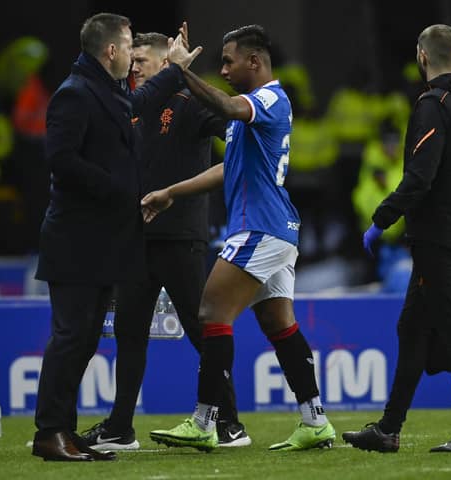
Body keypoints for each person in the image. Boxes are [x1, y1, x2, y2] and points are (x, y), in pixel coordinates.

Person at [142, 24, 336, 452]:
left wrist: (179, 73)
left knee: (211, 311)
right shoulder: (252, 111)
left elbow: (228, 107)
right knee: (278, 324)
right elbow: (230, 168)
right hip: (277, 230)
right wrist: (173, 191)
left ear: (255, 61)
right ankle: (315, 420)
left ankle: (205, 422)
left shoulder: (265, 98)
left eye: (229, 61)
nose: (223, 68)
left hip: (260, 228)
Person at [30, 13, 200, 462]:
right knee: (70, 337)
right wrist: (122, 190)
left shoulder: (104, 90)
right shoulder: (73, 94)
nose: (131, 56)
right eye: (128, 47)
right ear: (111, 51)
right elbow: (61, 161)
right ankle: (50, 432)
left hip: (99, 242)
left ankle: (62, 429)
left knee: (84, 339)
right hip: (74, 241)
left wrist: (178, 69)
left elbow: (141, 100)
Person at [80, 31, 250, 451]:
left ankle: (229, 423)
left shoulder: (190, 106)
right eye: (132, 59)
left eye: (142, 60)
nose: (134, 66)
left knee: (202, 330)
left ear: (164, 63)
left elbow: (239, 146)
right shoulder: (131, 108)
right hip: (134, 239)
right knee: (129, 332)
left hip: (180, 238)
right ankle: (121, 427)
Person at [342, 24, 451, 453]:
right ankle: (389, 429)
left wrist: (380, 219)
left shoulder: (434, 104)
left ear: (422, 57)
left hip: (436, 237)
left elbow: (420, 177)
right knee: (411, 328)